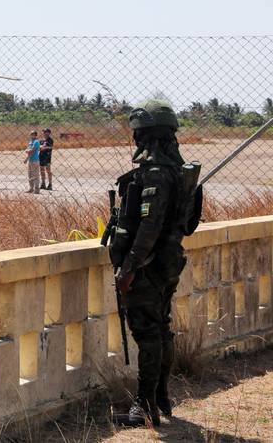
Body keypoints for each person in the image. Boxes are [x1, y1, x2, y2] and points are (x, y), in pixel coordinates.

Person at [109, 100, 188, 427]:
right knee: (161, 329)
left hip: (149, 266)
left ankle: (144, 405)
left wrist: (129, 267)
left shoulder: (155, 172)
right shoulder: (177, 170)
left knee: (149, 334)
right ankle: (160, 398)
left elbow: (149, 226)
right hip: (166, 262)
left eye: (138, 133)